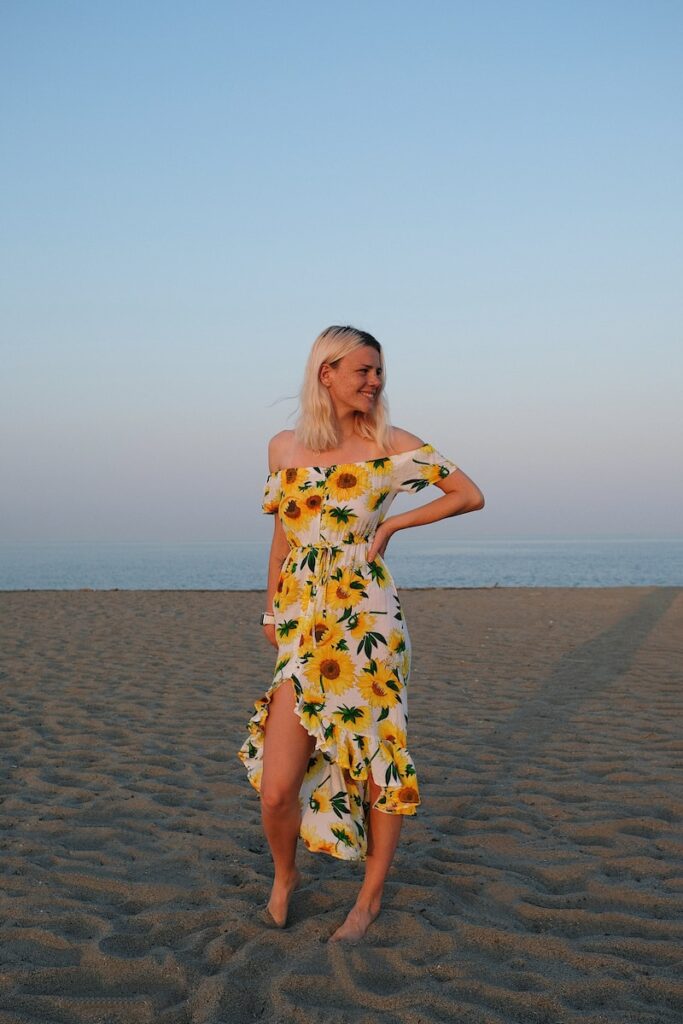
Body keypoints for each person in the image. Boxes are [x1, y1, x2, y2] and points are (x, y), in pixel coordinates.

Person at [238, 325, 484, 942]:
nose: (375, 382)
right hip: (301, 628)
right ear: (326, 374)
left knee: (379, 762)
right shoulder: (283, 448)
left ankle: (369, 900)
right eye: (362, 371)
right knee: (276, 788)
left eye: (379, 372)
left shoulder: (390, 445)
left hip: (369, 623)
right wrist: (271, 611)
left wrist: (395, 524)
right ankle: (286, 875)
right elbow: (281, 537)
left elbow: (468, 493)